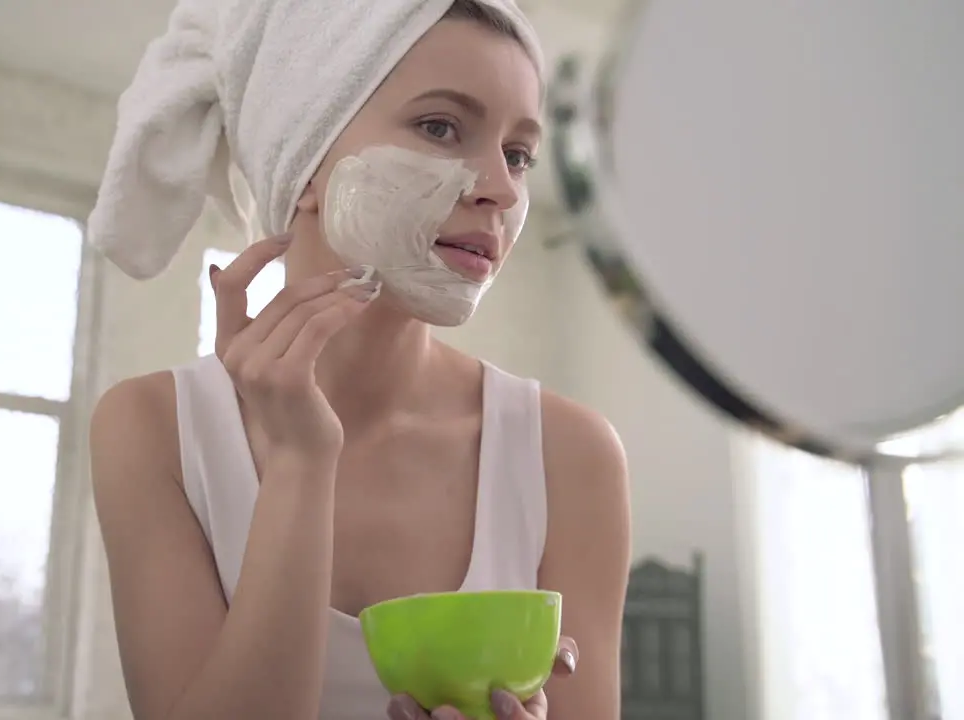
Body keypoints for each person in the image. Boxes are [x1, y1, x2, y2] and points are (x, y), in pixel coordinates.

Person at [87, 1, 631, 718]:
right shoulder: (150, 426)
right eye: (440, 127)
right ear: (305, 164)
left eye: (519, 154)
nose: (500, 188)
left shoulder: (570, 451)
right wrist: (300, 465)